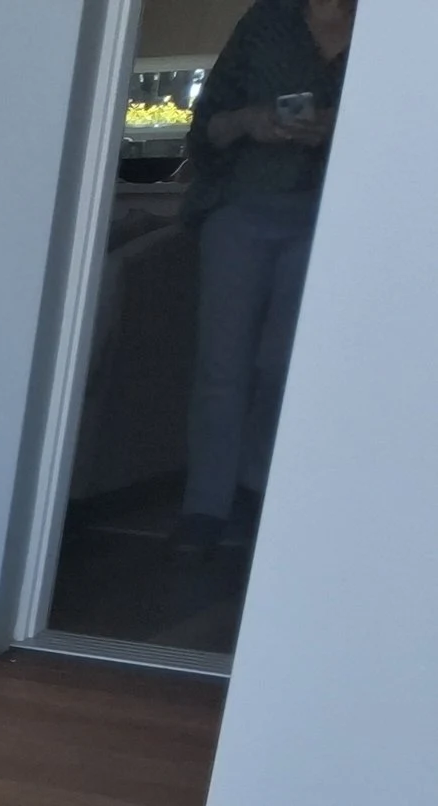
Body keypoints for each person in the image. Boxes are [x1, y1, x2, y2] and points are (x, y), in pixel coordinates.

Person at [172, 0, 353, 556]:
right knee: (222, 365)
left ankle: (258, 492)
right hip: (243, 208)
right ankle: (205, 508)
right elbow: (207, 126)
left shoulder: (389, 31)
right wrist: (252, 121)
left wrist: (334, 131)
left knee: (286, 365)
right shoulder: (265, 23)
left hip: (331, 217)